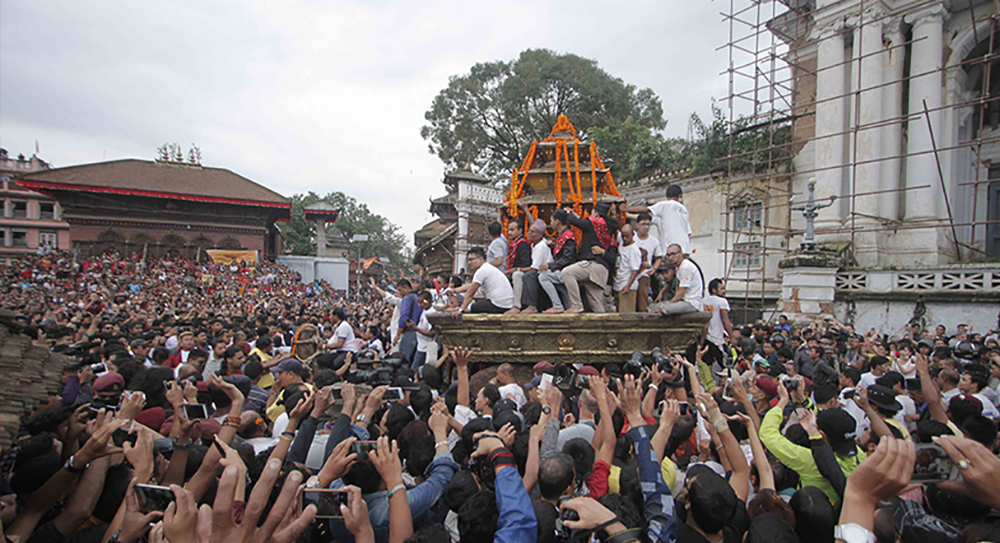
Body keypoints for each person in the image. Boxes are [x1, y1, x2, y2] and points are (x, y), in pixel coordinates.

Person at [560, 202, 618, 313]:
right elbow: (585, 224)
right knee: (597, 306)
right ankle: (604, 327)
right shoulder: (608, 227)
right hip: (601, 271)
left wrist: (566, 212)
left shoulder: (595, 223)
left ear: (596, 214)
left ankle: (576, 305)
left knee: (567, 272)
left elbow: (577, 222)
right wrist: (575, 214)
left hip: (592, 265)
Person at [626, 183, 692, 256]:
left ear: (666, 196)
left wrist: (625, 209)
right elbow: (689, 234)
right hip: (685, 250)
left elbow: (645, 210)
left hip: (671, 253)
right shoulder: (683, 212)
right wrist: (627, 215)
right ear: (680, 196)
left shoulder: (666, 205)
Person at [510, 218, 552, 315]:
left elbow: (534, 269)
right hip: (537, 272)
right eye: (529, 231)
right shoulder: (534, 244)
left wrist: (517, 269)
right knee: (517, 275)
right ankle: (517, 305)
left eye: (532, 232)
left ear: (540, 234)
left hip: (544, 273)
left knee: (525, 275)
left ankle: (531, 306)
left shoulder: (541, 246)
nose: (529, 233)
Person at [538, 209, 577, 314]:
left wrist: (549, 266)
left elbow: (567, 259)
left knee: (543, 276)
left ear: (557, 221)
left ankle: (557, 305)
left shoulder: (568, 237)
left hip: (567, 271)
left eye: (551, 221)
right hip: (561, 270)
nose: (550, 223)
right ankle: (568, 305)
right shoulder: (561, 236)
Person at [454, 247, 515, 314]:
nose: (469, 263)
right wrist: (455, 290)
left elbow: (470, 293)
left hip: (499, 305)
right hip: (506, 303)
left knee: (474, 307)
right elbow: (472, 286)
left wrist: (462, 309)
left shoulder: (482, 271)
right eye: (468, 260)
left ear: (480, 259)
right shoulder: (487, 267)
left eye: (471, 259)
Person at [649, 243, 702, 315]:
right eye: (669, 255)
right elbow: (669, 283)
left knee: (664, 309)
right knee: (654, 306)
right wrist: (661, 293)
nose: (671, 257)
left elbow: (681, 294)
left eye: (673, 254)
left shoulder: (686, 267)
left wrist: (668, 305)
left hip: (691, 303)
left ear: (681, 253)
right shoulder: (678, 267)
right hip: (683, 301)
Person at [634, 211, 663, 313]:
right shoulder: (631, 237)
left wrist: (653, 268)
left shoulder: (654, 241)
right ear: (637, 225)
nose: (646, 227)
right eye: (643, 224)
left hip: (644, 274)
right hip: (630, 273)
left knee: (643, 301)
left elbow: (659, 257)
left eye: (648, 224)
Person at [700, 278, 733, 368]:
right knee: (725, 367)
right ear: (714, 290)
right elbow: (725, 320)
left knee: (707, 366)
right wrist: (732, 337)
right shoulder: (722, 302)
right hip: (717, 340)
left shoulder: (703, 301)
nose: (724, 291)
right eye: (721, 289)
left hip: (706, 338)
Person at [505, 218, 533, 312]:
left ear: (520, 230)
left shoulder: (523, 244)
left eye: (512, 230)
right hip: (514, 270)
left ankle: (517, 305)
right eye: (508, 229)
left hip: (523, 271)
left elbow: (526, 263)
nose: (509, 232)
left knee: (516, 275)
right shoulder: (514, 243)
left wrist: (515, 269)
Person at [613, 222, 642, 313]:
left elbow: (635, 270)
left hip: (627, 285)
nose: (625, 238)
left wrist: (628, 286)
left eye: (627, 236)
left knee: (626, 313)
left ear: (633, 234)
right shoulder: (622, 242)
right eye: (623, 236)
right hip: (618, 283)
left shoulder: (634, 250)